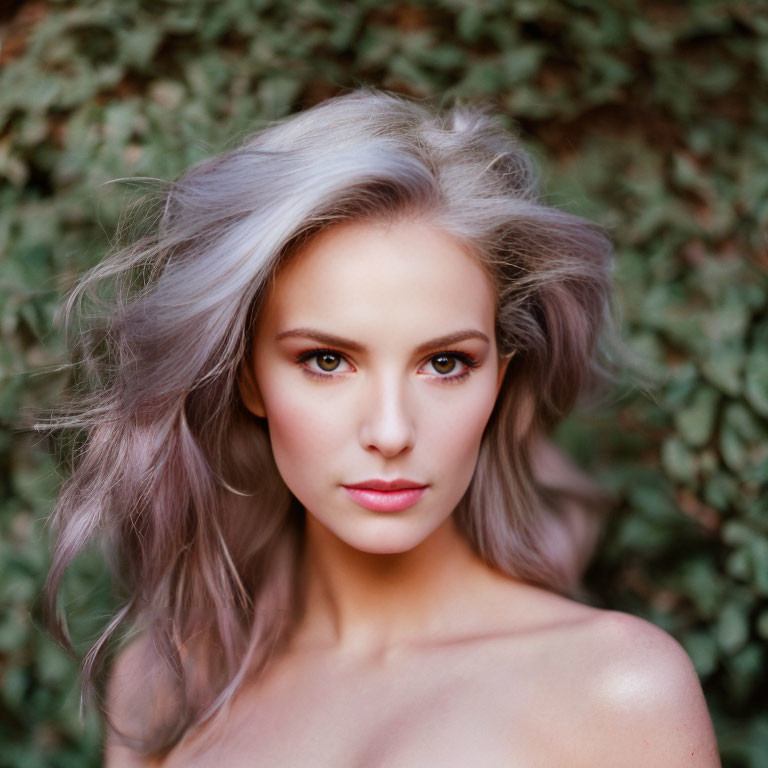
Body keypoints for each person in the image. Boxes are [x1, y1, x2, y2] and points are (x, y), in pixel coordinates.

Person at [41, 88, 721, 766]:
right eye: (327, 360)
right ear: (248, 378)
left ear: (501, 381)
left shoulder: (617, 690)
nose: (391, 432)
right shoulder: (162, 687)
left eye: (446, 363)